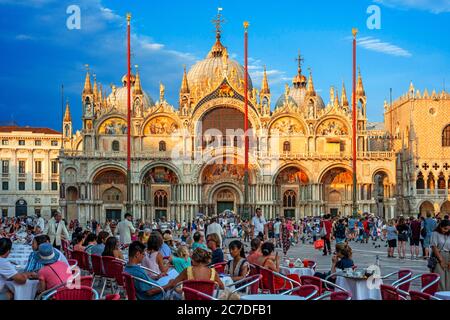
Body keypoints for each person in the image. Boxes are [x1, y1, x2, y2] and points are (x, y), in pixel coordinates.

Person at [430, 219, 449, 291]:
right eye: (445, 228)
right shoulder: (435, 233)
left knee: (448, 279)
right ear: (440, 226)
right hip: (438, 256)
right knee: (440, 279)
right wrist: (441, 260)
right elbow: (434, 247)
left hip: (448, 256)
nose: (446, 230)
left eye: (448, 229)